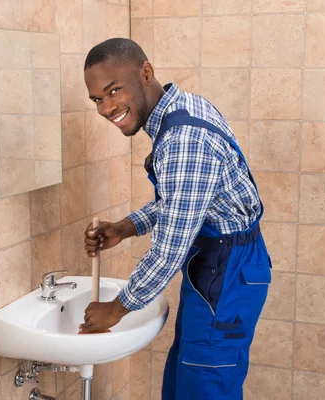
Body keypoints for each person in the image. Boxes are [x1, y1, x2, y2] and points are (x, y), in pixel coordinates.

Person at [79, 38, 272, 399]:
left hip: (226, 274)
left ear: (146, 72)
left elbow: (169, 251)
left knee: (204, 387)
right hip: (217, 268)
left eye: (114, 90)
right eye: (97, 100)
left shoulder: (183, 139)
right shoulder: (183, 106)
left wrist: (116, 310)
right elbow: (190, 201)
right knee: (186, 381)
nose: (106, 108)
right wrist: (125, 227)